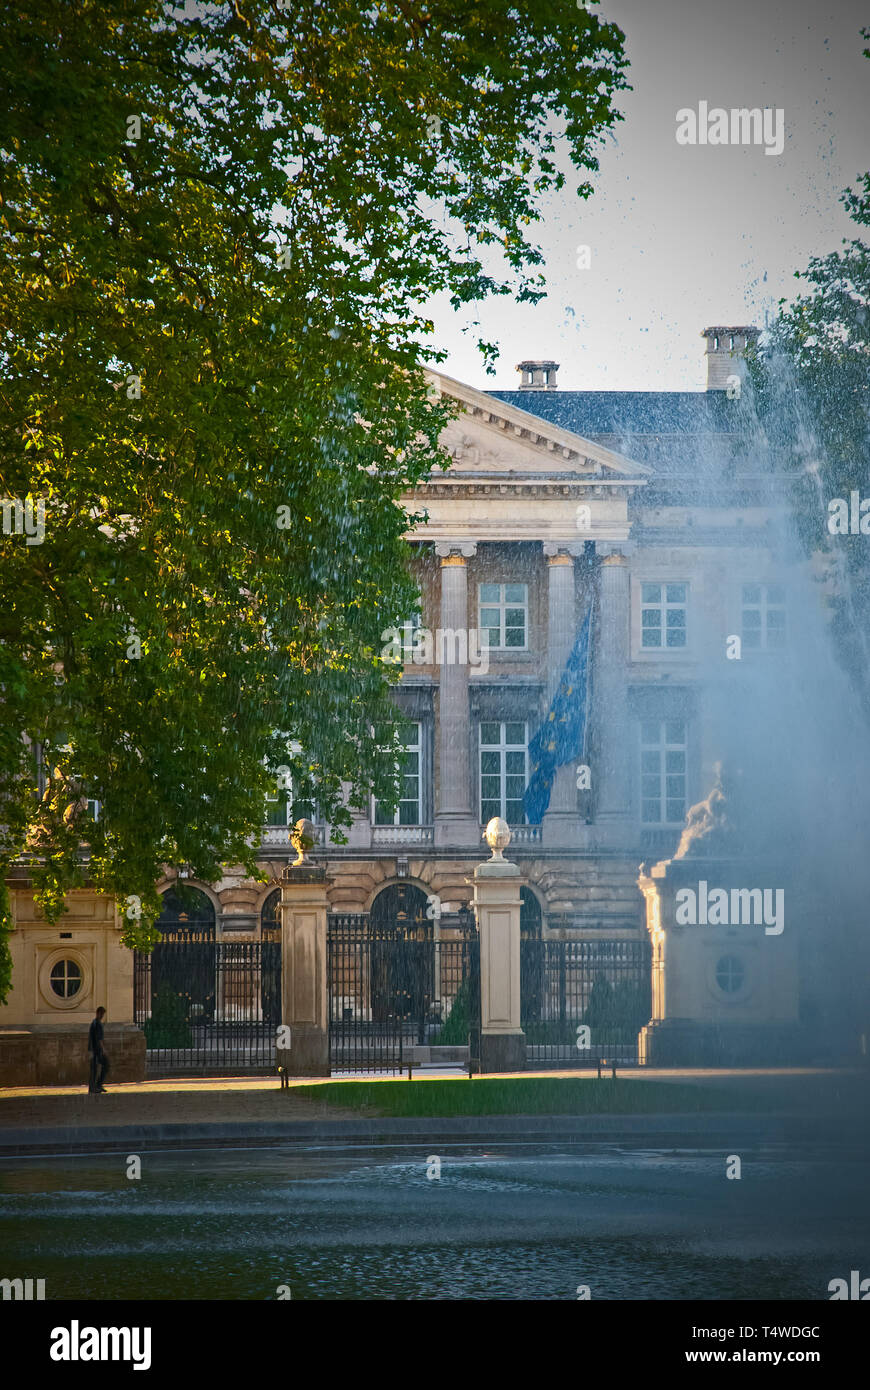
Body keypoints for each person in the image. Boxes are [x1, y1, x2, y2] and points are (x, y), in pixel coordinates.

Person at [88, 1006, 110, 1093]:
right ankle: (96, 1086)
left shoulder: (94, 1023)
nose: (102, 1016)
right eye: (101, 1014)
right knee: (103, 1066)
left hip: (94, 1050)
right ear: (98, 1013)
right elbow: (99, 1039)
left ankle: (95, 1086)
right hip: (97, 1051)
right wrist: (103, 1049)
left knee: (95, 1069)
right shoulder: (97, 1024)